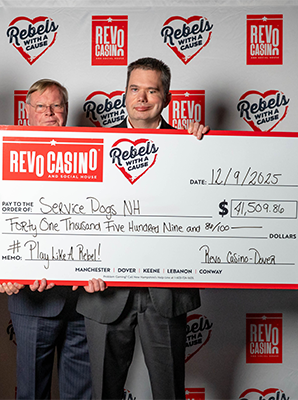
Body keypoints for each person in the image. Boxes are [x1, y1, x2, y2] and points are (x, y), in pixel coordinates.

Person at [76, 57, 207, 400]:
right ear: (124, 94)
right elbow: (74, 214)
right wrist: (78, 265)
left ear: (167, 98)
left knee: (169, 392)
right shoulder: (95, 145)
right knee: (103, 392)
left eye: (152, 90)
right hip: (104, 292)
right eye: (135, 89)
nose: (142, 98)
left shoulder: (191, 145)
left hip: (166, 293)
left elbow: (208, 207)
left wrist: (205, 148)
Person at [0, 79, 93, 400]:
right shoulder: (6, 158)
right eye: (41, 106)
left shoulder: (91, 155)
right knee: (32, 391)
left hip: (84, 300)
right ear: (27, 112)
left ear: (66, 110)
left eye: (56, 105)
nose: (49, 112)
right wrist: (7, 268)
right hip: (33, 300)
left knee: (81, 392)